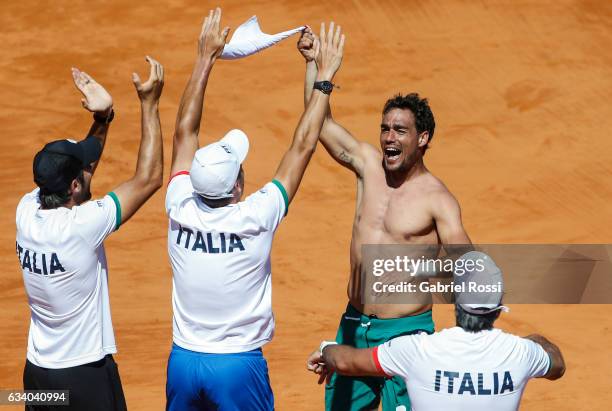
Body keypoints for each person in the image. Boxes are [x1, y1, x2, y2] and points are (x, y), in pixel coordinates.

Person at [164, 8, 345, 411]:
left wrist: (204, 59)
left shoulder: (178, 205)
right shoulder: (255, 217)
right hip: (237, 367)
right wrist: (324, 77)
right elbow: (302, 146)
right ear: (238, 186)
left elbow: (184, 132)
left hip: (182, 362)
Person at [297, 25, 472, 411]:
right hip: (354, 325)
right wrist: (313, 65)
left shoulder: (439, 200)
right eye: (385, 128)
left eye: (400, 130)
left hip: (406, 335)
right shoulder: (367, 165)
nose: (388, 138)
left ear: (423, 138)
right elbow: (320, 125)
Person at [16, 57, 165, 410]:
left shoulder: (26, 210)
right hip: (83, 379)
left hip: (37, 376)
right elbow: (149, 179)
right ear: (73, 185)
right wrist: (150, 104)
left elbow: (79, 175)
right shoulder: (81, 227)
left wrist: (103, 118)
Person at [307, 251, 566, 411]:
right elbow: (556, 364)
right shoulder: (520, 354)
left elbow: (344, 361)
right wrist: (531, 343)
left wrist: (325, 349)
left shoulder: (417, 349)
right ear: (498, 308)